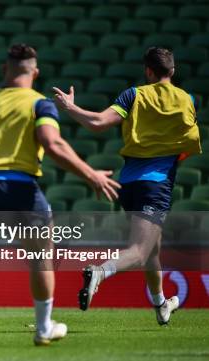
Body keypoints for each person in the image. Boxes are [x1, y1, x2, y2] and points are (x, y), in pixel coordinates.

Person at [0, 44, 121, 348]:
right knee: (41, 258)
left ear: (5, 69)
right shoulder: (39, 104)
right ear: (35, 72)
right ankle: (43, 328)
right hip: (20, 187)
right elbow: (52, 144)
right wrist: (91, 174)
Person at [53, 47, 201, 325]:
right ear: (172, 71)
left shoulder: (134, 95)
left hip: (129, 183)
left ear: (148, 71)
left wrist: (70, 107)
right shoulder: (187, 99)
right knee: (140, 250)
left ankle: (160, 305)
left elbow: (98, 122)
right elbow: (189, 142)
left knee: (152, 250)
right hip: (156, 183)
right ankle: (100, 272)